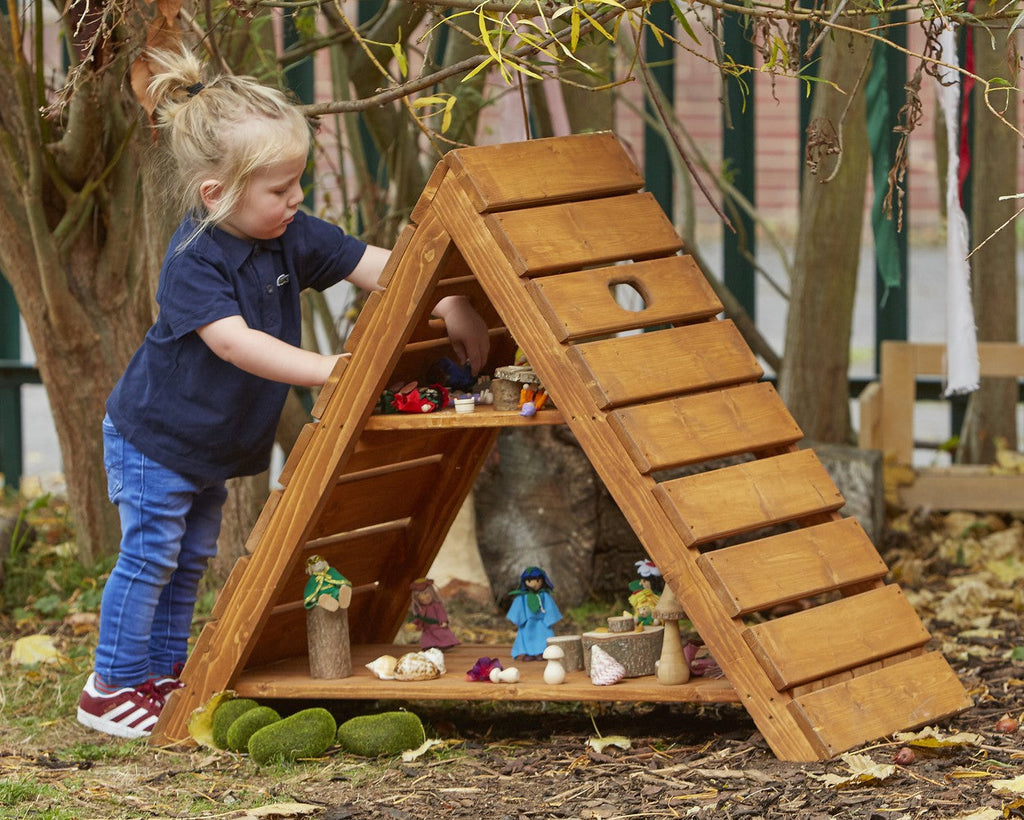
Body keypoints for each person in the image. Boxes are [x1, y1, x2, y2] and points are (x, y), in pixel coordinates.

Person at [76, 47, 489, 739]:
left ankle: (162, 676)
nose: (295, 198)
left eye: (298, 181)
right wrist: (335, 368)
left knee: (189, 560)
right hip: (156, 437)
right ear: (217, 194)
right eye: (278, 187)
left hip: (210, 445)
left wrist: (444, 300)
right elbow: (236, 343)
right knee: (151, 554)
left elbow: (370, 264)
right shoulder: (195, 259)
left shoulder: (288, 235)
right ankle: (111, 685)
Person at [506, 566, 561, 660]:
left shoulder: (544, 595)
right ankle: (528, 653)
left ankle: (542, 652)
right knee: (526, 637)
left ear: (543, 581)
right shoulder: (522, 597)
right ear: (525, 582)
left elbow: (550, 607)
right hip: (527, 623)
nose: (535, 583)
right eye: (530, 580)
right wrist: (519, 619)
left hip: (542, 623)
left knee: (545, 637)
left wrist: (549, 619)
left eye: (538, 580)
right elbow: (518, 608)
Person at [407, 578, 459, 650]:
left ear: (432, 593)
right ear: (417, 598)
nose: (424, 597)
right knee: (428, 640)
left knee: (442, 636)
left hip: (437, 627)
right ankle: (429, 647)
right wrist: (414, 624)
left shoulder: (436, 606)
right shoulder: (420, 609)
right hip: (427, 629)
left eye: (426, 593)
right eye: (420, 595)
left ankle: (444, 645)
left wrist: (443, 621)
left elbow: (441, 614)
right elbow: (418, 618)